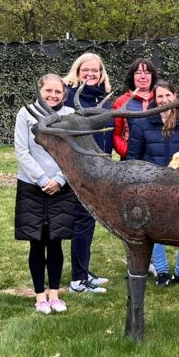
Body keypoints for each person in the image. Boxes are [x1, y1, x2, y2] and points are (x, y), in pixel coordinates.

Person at [125, 81, 179, 288]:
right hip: (151, 186)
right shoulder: (142, 124)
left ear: (175, 96)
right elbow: (132, 159)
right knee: (153, 228)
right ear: (154, 99)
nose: (164, 100)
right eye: (160, 97)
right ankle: (161, 271)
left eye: (168, 95)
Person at [15, 74, 77, 315]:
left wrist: (60, 180)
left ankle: (54, 293)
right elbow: (21, 150)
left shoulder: (70, 115)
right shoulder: (26, 113)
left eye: (57, 92)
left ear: (64, 94)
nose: (53, 96)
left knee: (56, 241)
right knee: (36, 241)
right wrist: (42, 179)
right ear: (40, 90)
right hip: (32, 186)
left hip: (61, 186)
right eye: (48, 91)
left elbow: (72, 151)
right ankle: (40, 296)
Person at [63, 52, 115, 294]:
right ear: (77, 71)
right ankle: (78, 281)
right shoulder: (70, 96)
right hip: (80, 168)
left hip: (99, 167)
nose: (91, 74)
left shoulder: (102, 97)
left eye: (96, 70)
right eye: (86, 70)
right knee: (82, 221)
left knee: (88, 220)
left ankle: (83, 271)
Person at [111, 58, 158, 160]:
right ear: (132, 76)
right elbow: (116, 135)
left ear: (152, 76)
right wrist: (127, 153)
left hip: (158, 161)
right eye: (138, 73)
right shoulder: (121, 102)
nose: (143, 76)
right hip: (131, 163)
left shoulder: (161, 99)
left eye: (147, 72)